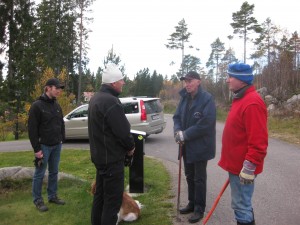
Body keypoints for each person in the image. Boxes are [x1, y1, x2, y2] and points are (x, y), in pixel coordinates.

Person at [218, 63, 268, 225]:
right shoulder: (241, 98)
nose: (227, 80)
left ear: (241, 80)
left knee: (241, 206)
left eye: (230, 77)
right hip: (236, 166)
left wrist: (249, 167)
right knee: (241, 204)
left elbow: (259, 141)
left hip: (243, 168)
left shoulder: (252, 102)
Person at [88, 63, 135, 225]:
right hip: (111, 161)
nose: (123, 83)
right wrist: (131, 148)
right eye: (121, 80)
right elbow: (123, 132)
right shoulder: (111, 101)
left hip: (100, 159)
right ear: (113, 82)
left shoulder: (96, 98)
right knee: (112, 202)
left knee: (100, 198)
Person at [173, 71, 216, 223]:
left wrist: (186, 134)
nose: (187, 84)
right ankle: (192, 203)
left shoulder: (207, 99)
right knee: (189, 176)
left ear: (198, 81)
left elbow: (206, 123)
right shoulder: (184, 98)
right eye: (185, 81)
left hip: (200, 146)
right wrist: (178, 131)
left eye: (190, 81)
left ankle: (199, 208)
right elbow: (176, 117)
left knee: (199, 178)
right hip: (186, 146)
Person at [28, 78, 66, 212]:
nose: (59, 91)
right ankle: (38, 200)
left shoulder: (57, 105)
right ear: (48, 88)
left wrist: (62, 138)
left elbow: (61, 123)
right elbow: (32, 129)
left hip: (56, 145)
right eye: (57, 88)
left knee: (54, 172)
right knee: (39, 174)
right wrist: (37, 149)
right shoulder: (37, 106)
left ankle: (52, 196)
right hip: (43, 146)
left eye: (60, 89)